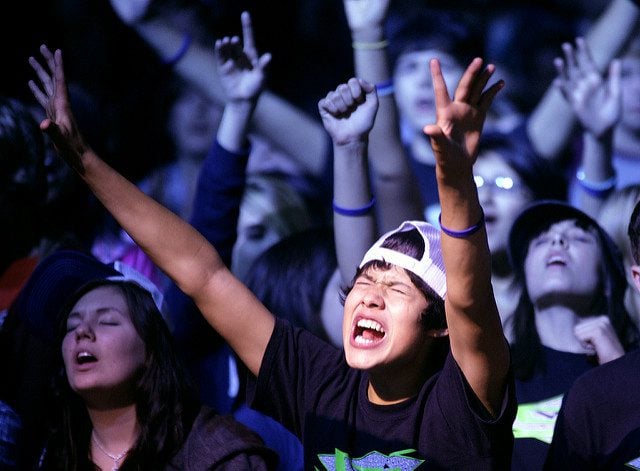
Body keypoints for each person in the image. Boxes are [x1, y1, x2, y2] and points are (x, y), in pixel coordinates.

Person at [28, 42, 515, 468]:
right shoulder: (322, 383)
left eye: (395, 289)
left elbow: (470, 299)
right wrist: (87, 165)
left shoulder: (463, 396)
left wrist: (453, 178)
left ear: (439, 323)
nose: (369, 297)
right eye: (364, 282)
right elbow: (204, 274)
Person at [11, 249, 277, 470]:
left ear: (151, 350)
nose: (82, 332)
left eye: (107, 321)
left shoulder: (215, 453)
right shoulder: (55, 456)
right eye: (71, 325)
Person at [507, 200, 640, 470]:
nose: (557, 241)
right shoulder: (496, 371)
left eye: (579, 237)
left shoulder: (631, 360)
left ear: (607, 279)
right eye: (541, 240)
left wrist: (617, 367)